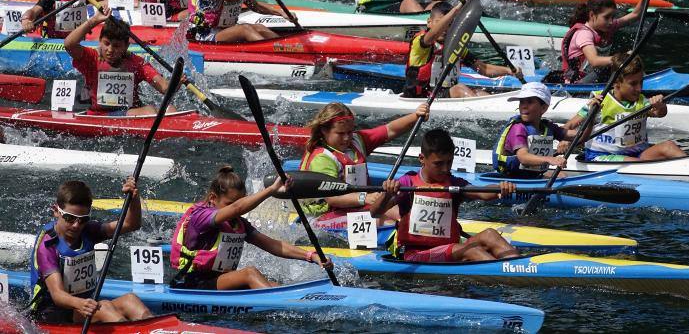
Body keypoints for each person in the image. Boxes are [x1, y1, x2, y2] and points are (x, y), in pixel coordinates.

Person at [170, 165, 331, 290]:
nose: (237, 207)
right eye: (230, 203)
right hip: (191, 283)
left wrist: (311, 256)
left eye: (240, 201)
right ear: (213, 198)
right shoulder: (201, 216)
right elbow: (238, 208)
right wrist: (271, 190)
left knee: (275, 286)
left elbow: (274, 245)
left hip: (217, 281)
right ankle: (278, 307)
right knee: (250, 273)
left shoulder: (237, 224)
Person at [371, 129, 519, 262]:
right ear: (422, 158)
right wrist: (386, 194)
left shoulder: (454, 183)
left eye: (449, 162)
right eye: (439, 163)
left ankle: (519, 267)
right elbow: (375, 212)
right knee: (471, 250)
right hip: (416, 254)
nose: (445, 169)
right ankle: (505, 275)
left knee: (490, 234)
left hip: (450, 249)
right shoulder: (407, 183)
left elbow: (482, 192)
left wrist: (500, 188)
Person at [28, 179, 153, 323]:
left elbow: (131, 224)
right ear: (56, 211)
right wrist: (81, 304)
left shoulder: (88, 230)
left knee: (131, 300)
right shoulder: (47, 245)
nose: (76, 225)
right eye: (69, 218)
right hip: (50, 313)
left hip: (83, 307)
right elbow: (58, 296)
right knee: (104, 308)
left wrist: (133, 198)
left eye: (83, 219)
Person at [298, 102, 430, 228]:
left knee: (401, 211)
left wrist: (415, 116)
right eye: (340, 133)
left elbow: (389, 130)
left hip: (355, 208)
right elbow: (333, 198)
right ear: (324, 131)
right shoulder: (323, 158)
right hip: (323, 218)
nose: (346, 138)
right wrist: (365, 197)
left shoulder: (356, 141)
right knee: (387, 221)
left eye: (349, 132)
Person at [565, 53, 686, 162]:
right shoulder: (599, 101)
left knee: (669, 146)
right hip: (602, 156)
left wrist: (660, 105)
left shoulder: (641, 101)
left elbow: (660, 113)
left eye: (641, 82)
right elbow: (569, 125)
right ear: (616, 82)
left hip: (638, 155)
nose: (639, 89)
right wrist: (564, 139)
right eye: (633, 84)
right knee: (636, 163)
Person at [64, 10, 177, 116]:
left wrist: (177, 81)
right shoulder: (92, 58)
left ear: (126, 46)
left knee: (171, 109)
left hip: (131, 113)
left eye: (116, 46)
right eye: (106, 43)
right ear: (100, 41)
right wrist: (93, 21)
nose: (110, 50)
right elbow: (69, 44)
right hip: (100, 115)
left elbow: (164, 88)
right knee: (150, 111)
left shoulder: (136, 62)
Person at [403, 1, 518, 98]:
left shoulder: (456, 46)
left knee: (480, 93)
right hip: (421, 98)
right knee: (460, 89)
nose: (445, 29)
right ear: (429, 22)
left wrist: (509, 71)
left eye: (449, 25)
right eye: (441, 23)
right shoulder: (420, 42)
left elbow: (483, 69)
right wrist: (455, 11)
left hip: (444, 95)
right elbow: (433, 35)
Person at [561, 0, 653, 84]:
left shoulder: (606, 27)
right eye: (606, 17)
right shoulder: (584, 33)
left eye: (613, 17)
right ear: (592, 15)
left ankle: (642, 82)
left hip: (594, 76)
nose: (611, 21)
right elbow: (594, 61)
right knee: (620, 64)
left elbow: (635, 14)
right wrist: (622, 58)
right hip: (576, 83)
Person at [493, 82, 580, 177]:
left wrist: (590, 112)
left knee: (562, 176)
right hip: (511, 178)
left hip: (532, 176)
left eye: (529, 102)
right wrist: (550, 159)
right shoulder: (518, 128)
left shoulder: (547, 127)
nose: (524, 106)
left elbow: (579, 137)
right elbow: (523, 157)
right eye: (522, 102)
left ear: (543, 108)